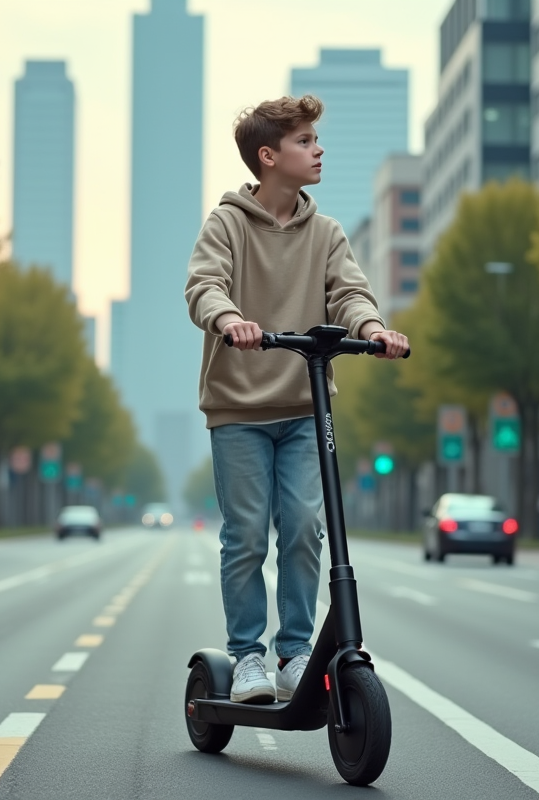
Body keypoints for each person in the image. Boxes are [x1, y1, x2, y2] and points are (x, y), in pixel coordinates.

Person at [184, 95, 409, 704]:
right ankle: (248, 656)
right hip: (239, 411)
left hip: (305, 409)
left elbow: (350, 295)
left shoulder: (327, 233)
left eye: (316, 139)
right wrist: (230, 319)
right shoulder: (226, 224)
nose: (319, 149)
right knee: (248, 536)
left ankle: (295, 652)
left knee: (307, 527)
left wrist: (373, 330)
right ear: (269, 156)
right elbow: (203, 285)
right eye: (306, 141)